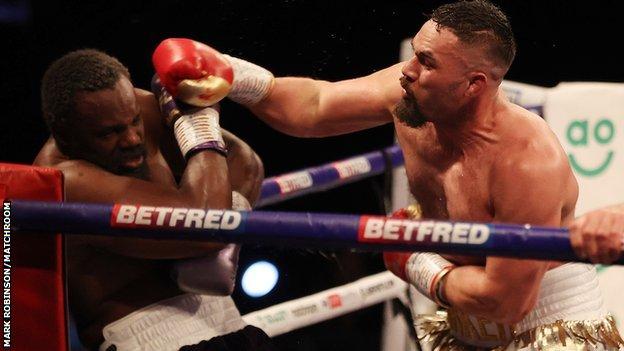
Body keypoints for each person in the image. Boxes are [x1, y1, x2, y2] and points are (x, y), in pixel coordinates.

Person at [156, 0, 623, 349]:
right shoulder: (410, 95)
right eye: (416, 54)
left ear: (473, 85)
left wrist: (414, 260)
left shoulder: (525, 160)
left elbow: (506, 302)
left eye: (427, 63)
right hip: (467, 328)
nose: (408, 71)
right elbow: (314, 108)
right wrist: (228, 72)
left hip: (550, 329)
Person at [33, 49, 275, 351]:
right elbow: (205, 227)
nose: (133, 138)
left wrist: (224, 246)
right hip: (147, 339)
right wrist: (201, 125)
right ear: (67, 137)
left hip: (230, 323)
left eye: (134, 120)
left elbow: (245, 163)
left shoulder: (138, 109)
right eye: (111, 133)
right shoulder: (65, 183)